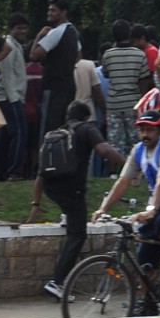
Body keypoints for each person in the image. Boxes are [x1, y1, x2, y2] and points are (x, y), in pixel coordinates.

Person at [93, 90, 160, 302]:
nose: (145, 134)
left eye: (149, 130)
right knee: (145, 257)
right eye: (141, 129)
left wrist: (150, 211)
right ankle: (147, 303)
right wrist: (103, 208)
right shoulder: (138, 151)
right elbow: (123, 181)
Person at [28, 101, 124, 300]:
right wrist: (129, 163)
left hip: (52, 189)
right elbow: (105, 151)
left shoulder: (55, 133)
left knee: (71, 214)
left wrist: (35, 204)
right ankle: (58, 282)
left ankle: (66, 216)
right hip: (73, 190)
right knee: (77, 235)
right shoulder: (87, 129)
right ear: (87, 117)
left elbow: (41, 172)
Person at [30, 0, 80, 139]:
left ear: (63, 12)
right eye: (49, 10)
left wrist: (38, 37)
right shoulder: (73, 31)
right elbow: (79, 55)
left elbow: (34, 55)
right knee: (64, 127)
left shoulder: (56, 32)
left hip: (53, 86)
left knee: (47, 127)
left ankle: (45, 159)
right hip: (69, 84)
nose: (50, 13)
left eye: (53, 10)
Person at [103, 20, 151, 156]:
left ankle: (113, 173)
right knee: (135, 140)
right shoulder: (140, 55)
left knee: (114, 141)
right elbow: (144, 80)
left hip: (114, 104)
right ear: (129, 34)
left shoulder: (108, 55)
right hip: (134, 103)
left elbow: (106, 73)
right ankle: (137, 169)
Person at [0, 13, 30, 178]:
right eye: (18, 28)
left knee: (5, 136)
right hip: (9, 97)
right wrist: (15, 99)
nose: (22, 31)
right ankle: (13, 171)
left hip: (9, 96)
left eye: (24, 28)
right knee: (20, 133)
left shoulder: (15, 45)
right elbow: (7, 76)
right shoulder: (9, 45)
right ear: (11, 29)